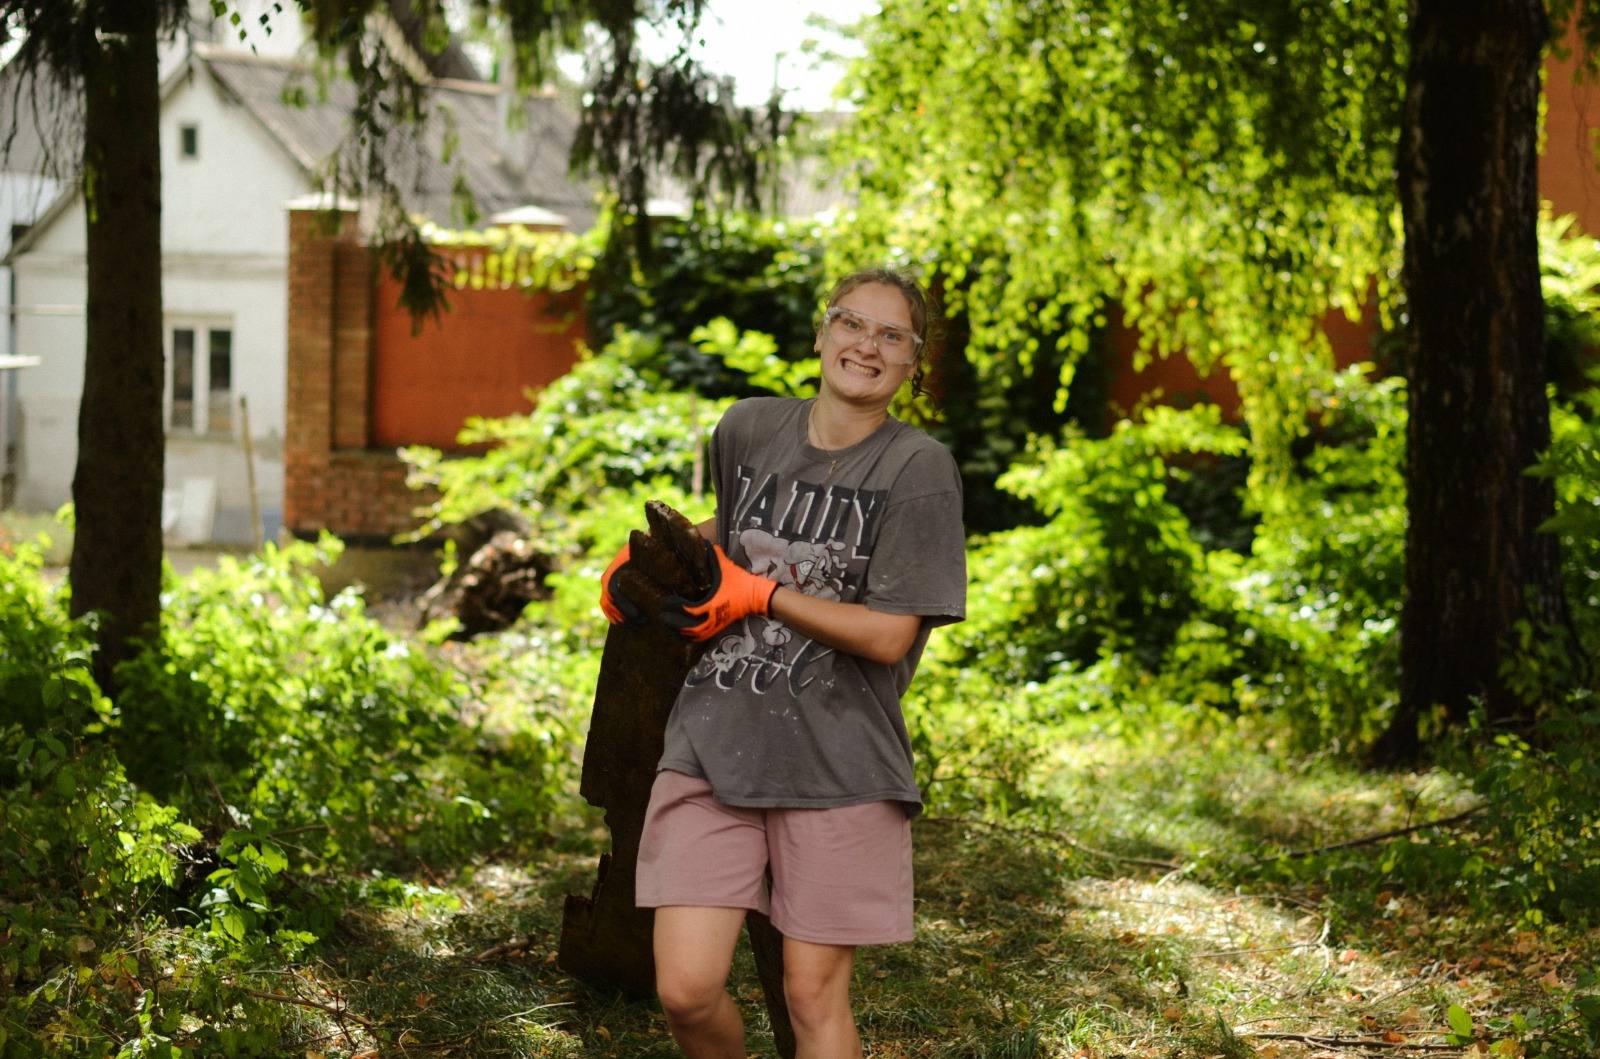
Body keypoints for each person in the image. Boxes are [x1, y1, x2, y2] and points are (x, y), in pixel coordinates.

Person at [600, 268, 967, 1059]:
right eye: (851, 323)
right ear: (820, 332)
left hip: (841, 761)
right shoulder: (749, 428)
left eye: (891, 335)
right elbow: (730, 529)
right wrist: (644, 562)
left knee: (810, 994)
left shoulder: (918, 470)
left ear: (914, 364)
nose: (865, 344)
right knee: (687, 989)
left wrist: (758, 597)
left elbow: (889, 634)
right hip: (712, 743)